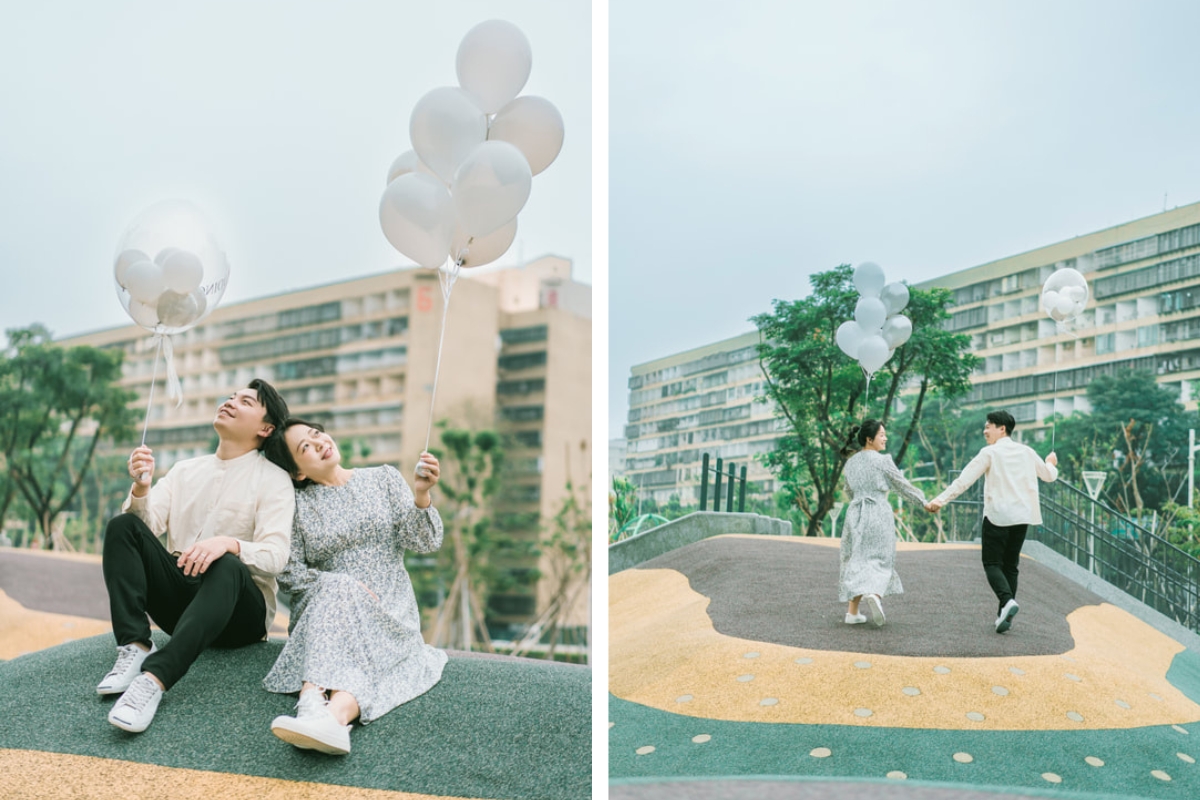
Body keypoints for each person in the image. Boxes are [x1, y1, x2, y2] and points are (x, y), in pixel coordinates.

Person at [98, 379, 294, 733]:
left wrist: (229, 543)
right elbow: (146, 526)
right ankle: (135, 645)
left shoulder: (274, 480)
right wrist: (142, 487)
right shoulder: (186, 469)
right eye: (231, 396)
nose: (231, 402)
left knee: (227, 562)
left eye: (246, 402)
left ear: (265, 428)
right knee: (122, 525)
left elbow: (277, 556)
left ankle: (153, 681)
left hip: (239, 617)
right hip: (181, 606)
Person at [259, 419, 447, 756]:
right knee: (339, 586)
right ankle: (314, 707)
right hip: (326, 611)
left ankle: (330, 717)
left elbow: (424, 540)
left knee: (368, 653)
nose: (319, 443)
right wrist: (343, 586)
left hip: (389, 606)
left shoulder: (383, 478)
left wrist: (421, 495)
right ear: (298, 472)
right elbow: (290, 574)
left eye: (317, 435)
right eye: (305, 447)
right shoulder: (297, 507)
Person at [925, 409, 1058, 633]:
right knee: (1011, 567)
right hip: (1022, 517)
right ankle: (1003, 615)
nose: (985, 431)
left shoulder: (990, 453)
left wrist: (940, 500)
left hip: (998, 516)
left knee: (992, 564)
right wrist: (1051, 462)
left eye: (988, 426)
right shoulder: (1027, 451)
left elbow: (963, 481)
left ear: (1001, 428)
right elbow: (1048, 475)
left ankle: (1006, 602)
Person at [838, 419, 928, 627]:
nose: (885, 438)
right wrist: (923, 501)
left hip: (855, 512)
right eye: (881, 435)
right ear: (870, 439)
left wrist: (859, 497)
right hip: (877, 510)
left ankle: (852, 613)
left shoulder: (850, 462)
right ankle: (875, 594)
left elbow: (848, 490)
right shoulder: (883, 461)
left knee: (856, 558)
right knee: (881, 557)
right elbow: (901, 485)